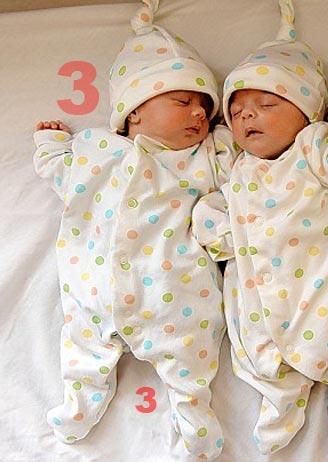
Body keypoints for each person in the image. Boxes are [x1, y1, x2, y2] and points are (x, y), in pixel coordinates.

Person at [33, 1, 238, 459]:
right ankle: (79, 406)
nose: (198, 115)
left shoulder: (204, 157)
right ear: (134, 112)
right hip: (96, 289)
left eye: (205, 109)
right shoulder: (96, 150)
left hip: (176, 288)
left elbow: (237, 171)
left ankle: (195, 419)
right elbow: (60, 174)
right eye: (183, 102)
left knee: (189, 360)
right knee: (83, 353)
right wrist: (50, 143)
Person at [191, 1, 328, 459]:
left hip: (323, 284)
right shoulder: (238, 167)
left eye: (266, 104)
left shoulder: (313, 147)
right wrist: (215, 228)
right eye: (237, 112)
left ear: (305, 114)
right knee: (265, 357)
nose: (247, 117)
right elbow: (214, 211)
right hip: (258, 291)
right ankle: (282, 404)